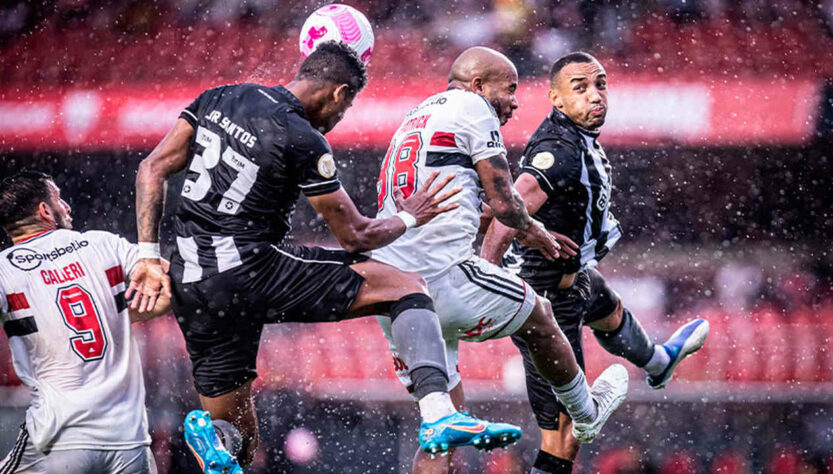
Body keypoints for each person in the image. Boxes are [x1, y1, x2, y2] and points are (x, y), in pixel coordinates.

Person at [130, 42, 523, 474]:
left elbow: (152, 167)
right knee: (408, 286)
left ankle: (218, 439)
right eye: (346, 106)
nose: (340, 120)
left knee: (238, 438)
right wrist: (409, 218)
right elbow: (356, 237)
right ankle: (439, 413)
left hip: (192, 278)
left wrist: (149, 255)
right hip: (253, 266)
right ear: (339, 93)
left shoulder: (221, 96)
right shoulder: (303, 138)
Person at [373, 46, 630, 473]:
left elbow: (462, 203)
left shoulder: (418, 115)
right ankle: (586, 413)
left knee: (442, 432)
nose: (515, 101)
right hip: (442, 277)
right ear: (478, 86)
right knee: (541, 314)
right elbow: (505, 199)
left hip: (397, 295)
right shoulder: (474, 109)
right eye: (509, 89)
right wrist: (536, 231)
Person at [481, 52, 710, 474]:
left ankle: (658, 363)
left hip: (576, 279)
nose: (596, 95)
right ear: (557, 99)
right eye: (581, 88)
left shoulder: (578, 138)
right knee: (564, 438)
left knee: (612, 312)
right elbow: (511, 207)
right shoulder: (560, 151)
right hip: (546, 305)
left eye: (600, 84)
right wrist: (484, 276)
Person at [0, 171, 168, 474]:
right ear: (44, 210)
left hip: (58, 441)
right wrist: (114, 317)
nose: (67, 207)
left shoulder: (4, 270)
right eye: (59, 199)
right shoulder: (102, 244)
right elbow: (165, 287)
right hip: (129, 441)